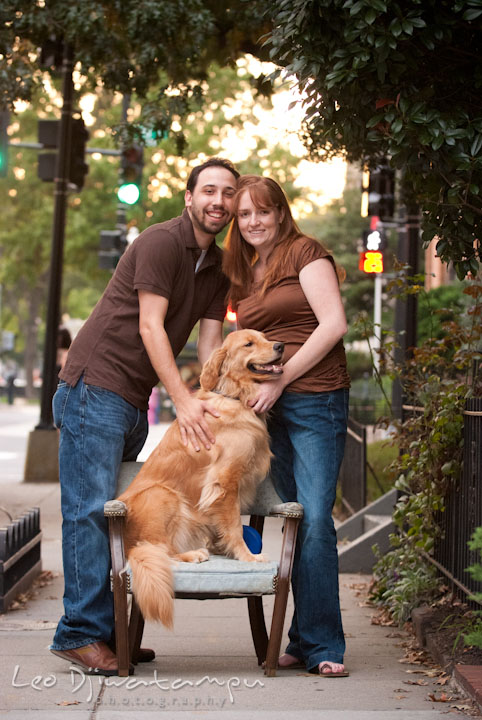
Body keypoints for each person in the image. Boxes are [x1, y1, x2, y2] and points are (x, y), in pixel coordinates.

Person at [50, 157, 240, 675]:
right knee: (89, 512)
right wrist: (181, 398)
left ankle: (106, 632)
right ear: (189, 197)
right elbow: (152, 328)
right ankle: (79, 634)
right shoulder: (160, 242)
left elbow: (209, 342)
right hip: (95, 388)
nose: (217, 201)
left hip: (132, 401)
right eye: (208, 190)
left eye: (227, 193)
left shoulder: (220, 266)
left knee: (115, 512)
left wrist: (215, 400)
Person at [223, 175, 351, 677]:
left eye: (263, 211)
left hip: (316, 399)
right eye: (245, 215)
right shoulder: (243, 272)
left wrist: (280, 381)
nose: (254, 222)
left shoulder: (306, 253)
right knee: (291, 520)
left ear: (280, 213)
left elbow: (333, 324)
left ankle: (323, 646)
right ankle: (300, 637)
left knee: (317, 518)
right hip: (264, 410)